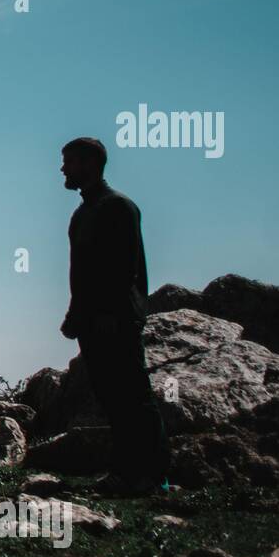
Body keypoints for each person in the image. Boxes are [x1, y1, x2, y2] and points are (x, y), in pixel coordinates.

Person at [58, 136, 171, 497]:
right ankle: (124, 472)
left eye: (69, 162)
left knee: (133, 395)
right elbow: (81, 274)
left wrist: (113, 314)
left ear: (89, 164)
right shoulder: (82, 214)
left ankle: (153, 476)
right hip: (91, 322)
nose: (63, 169)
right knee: (111, 398)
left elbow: (125, 269)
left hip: (117, 320)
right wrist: (75, 315)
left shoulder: (119, 207)